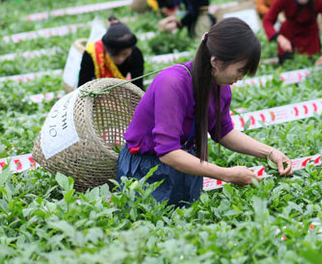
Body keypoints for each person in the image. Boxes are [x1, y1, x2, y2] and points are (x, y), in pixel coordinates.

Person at [118, 18, 293, 207]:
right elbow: (168, 152)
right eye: (240, 70)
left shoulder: (219, 85)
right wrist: (227, 174)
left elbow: (222, 131)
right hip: (146, 170)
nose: (240, 78)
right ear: (216, 61)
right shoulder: (172, 83)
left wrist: (269, 153)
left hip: (185, 165)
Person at [78, 22, 145, 89]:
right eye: (114, 54)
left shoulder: (135, 54)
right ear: (105, 48)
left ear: (131, 49)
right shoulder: (92, 54)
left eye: (125, 54)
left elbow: (138, 86)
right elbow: (83, 86)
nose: (120, 59)